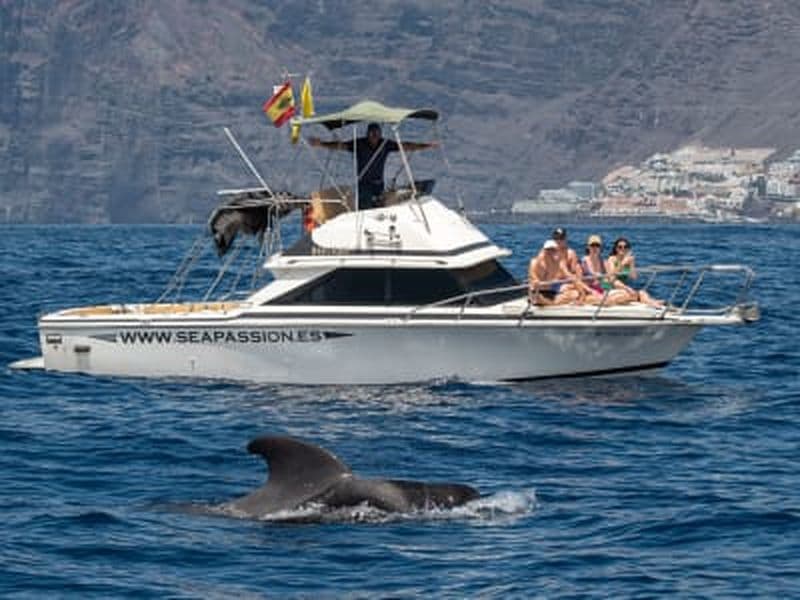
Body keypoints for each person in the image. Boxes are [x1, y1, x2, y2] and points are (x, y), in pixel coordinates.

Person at [309, 123, 437, 209]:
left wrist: (425, 146)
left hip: (378, 184)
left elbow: (406, 146)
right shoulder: (359, 143)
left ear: (380, 134)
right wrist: (322, 144)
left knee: (379, 207)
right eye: (371, 134)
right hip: (363, 184)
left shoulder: (385, 144)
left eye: (377, 134)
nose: (374, 137)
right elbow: (340, 145)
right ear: (367, 134)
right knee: (365, 208)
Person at [605, 237, 664, 307]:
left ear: (628, 249)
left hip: (621, 289)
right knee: (635, 294)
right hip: (610, 289)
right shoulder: (612, 259)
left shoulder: (628, 260)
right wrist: (623, 263)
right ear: (616, 248)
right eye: (620, 247)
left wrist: (631, 264)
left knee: (642, 292)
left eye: (625, 247)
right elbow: (612, 279)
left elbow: (633, 277)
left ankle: (653, 303)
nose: (622, 249)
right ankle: (652, 303)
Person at [580, 234, 630, 306]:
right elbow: (578, 281)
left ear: (600, 247)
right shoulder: (582, 263)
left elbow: (611, 279)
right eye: (592, 245)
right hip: (589, 292)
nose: (595, 248)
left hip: (603, 290)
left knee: (627, 295)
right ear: (588, 247)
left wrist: (626, 288)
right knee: (606, 301)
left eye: (597, 245)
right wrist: (591, 291)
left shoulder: (604, 263)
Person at [528, 240, 580, 305]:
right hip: (538, 292)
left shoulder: (558, 263)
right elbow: (532, 275)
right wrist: (536, 281)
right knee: (539, 298)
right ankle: (548, 302)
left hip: (550, 292)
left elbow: (569, 276)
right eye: (548, 250)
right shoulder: (535, 262)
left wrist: (577, 285)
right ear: (543, 250)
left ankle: (550, 303)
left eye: (553, 250)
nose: (550, 252)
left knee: (575, 294)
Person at [551, 227, 595, 303]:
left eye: (561, 238)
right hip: (556, 283)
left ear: (565, 239)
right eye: (556, 239)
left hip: (571, 282)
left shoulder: (571, 253)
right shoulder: (551, 254)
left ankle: (583, 291)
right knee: (566, 288)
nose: (558, 241)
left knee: (576, 276)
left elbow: (575, 271)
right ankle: (585, 291)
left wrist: (578, 280)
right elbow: (565, 273)